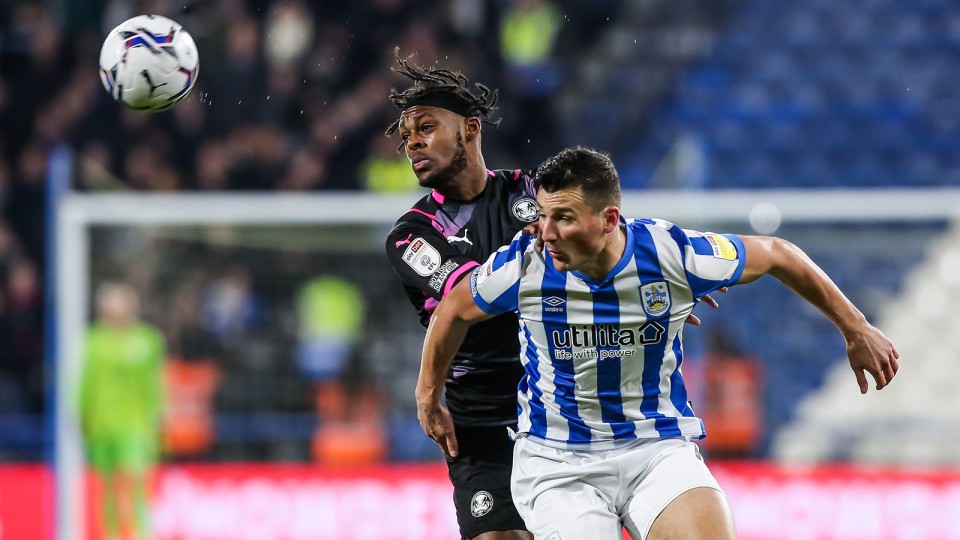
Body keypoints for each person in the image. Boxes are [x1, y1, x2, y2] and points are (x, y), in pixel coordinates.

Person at [417, 147, 899, 539]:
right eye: (542, 217)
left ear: (609, 219)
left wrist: (856, 328)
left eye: (563, 218)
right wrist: (428, 394)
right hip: (560, 465)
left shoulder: (670, 254)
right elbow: (454, 309)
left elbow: (776, 253)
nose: (546, 233)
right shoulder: (524, 264)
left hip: (655, 448)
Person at [383, 54, 717, 540]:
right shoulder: (413, 235)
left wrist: (648, 282)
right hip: (482, 423)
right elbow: (471, 296)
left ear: (470, 129)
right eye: (406, 134)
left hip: (564, 413)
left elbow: (601, 239)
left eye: (427, 127)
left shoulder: (528, 190)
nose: (412, 142)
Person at [79, 282, 166, 540]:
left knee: (136, 480)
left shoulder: (147, 340)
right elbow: (85, 382)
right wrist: (82, 414)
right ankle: (111, 535)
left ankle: (141, 532)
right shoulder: (93, 341)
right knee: (105, 485)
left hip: (135, 425)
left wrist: (158, 417)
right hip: (101, 425)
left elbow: (154, 385)